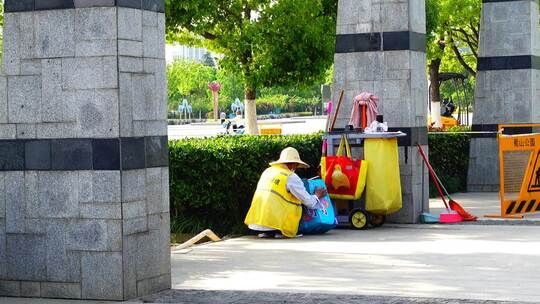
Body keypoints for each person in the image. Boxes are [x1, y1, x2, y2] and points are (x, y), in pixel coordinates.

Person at [244, 147, 327, 238]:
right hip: (277, 224)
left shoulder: (267, 172)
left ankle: (268, 232)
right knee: (298, 202)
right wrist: (317, 195)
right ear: (294, 164)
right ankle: (281, 230)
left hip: (257, 221)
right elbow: (309, 202)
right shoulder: (290, 176)